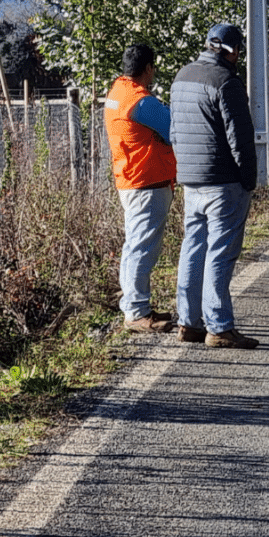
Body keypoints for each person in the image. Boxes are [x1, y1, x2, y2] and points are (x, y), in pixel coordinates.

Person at [169, 23, 259, 349]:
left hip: (191, 180)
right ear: (233, 51)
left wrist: (184, 169)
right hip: (223, 182)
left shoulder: (181, 77)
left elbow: (174, 130)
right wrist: (249, 180)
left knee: (193, 249)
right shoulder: (227, 82)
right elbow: (241, 139)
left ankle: (188, 323)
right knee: (220, 252)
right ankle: (219, 327)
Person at [104, 44, 177, 334]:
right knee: (142, 247)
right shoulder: (140, 101)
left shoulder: (117, 92)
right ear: (148, 68)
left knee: (135, 244)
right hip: (146, 182)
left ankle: (136, 305)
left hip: (131, 178)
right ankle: (136, 311)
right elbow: (174, 128)